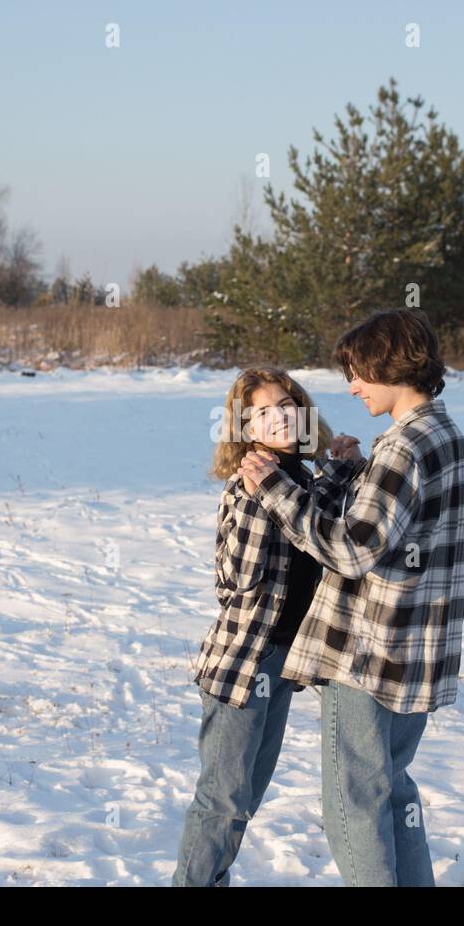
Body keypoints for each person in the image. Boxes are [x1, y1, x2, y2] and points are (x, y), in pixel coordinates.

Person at [239, 308, 464, 886]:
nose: (351, 386)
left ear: (391, 366)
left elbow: (352, 550)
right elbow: (400, 525)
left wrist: (274, 490)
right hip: (417, 653)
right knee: (391, 792)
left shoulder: (404, 448)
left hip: (368, 654)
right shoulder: (444, 436)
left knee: (352, 808)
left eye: (359, 373)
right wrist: (356, 472)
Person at [172, 365, 333, 886]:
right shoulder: (250, 486)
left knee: (245, 800)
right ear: (245, 426)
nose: (279, 417)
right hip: (244, 661)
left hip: (284, 663)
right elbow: (234, 582)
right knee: (222, 800)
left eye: (286, 405)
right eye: (262, 411)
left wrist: (343, 471)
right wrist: (264, 495)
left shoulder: (303, 478)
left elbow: (328, 539)